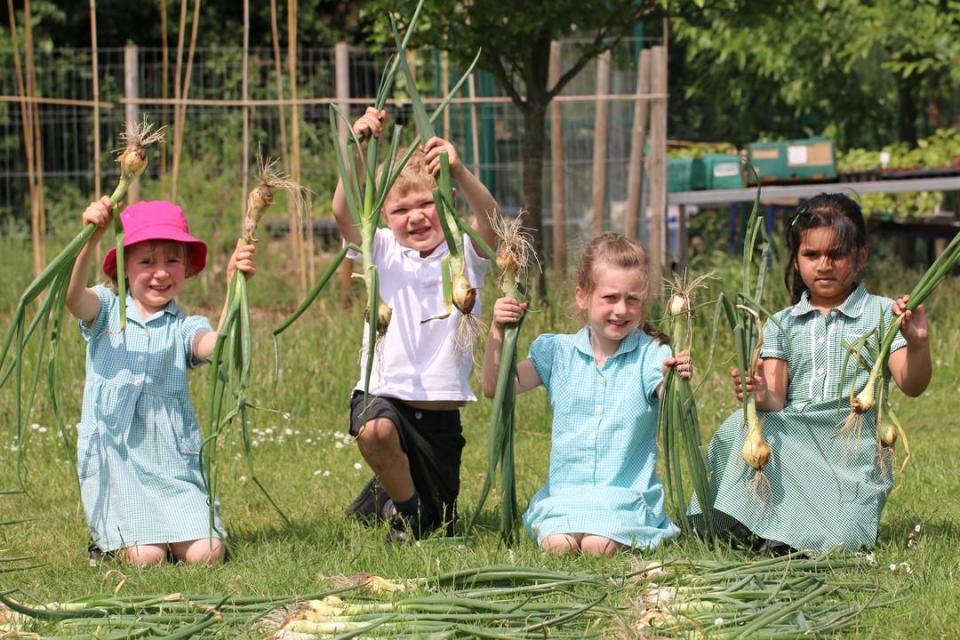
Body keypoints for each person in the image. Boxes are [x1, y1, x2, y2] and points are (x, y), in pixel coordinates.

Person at [690, 193, 931, 552]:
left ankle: (784, 531)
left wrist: (918, 343)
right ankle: (757, 525)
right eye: (811, 255)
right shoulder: (781, 322)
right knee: (738, 426)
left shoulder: (882, 313)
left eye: (836, 254)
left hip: (850, 448)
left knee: (846, 540)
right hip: (796, 439)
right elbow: (775, 398)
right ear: (796, 258)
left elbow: (912, 384)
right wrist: (759, 395)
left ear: (861, 255)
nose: (824, 265)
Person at [334, 107, 500, 543]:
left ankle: (388, 496)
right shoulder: (381, 250)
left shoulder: (465, 250)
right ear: (384, 217)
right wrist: (355, 149)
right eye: (400, 208)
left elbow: (495, 224)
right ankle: (405, 510)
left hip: (440, 416)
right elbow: (344, 213)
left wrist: (460, 171)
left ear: (445, 200)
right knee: (375, 430)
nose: (416, 216)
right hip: (384, 392)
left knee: (443, 522)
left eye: (427, 202)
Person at [66, 198, 256, 566]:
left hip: (170, 462)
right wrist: (89, 239)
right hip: (118, 461)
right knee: (145, 559)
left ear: (186, 267)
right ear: (123, 268)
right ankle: (116, 542)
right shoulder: (106, 310)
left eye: (172, 260)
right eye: (146, 261)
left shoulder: (185, 325)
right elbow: (73, 299)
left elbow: (216, 346)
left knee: (208, 553)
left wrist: (236, 291)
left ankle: (166, 535)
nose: (161, 272)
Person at [484, 233, 691, 556]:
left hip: (624, 496)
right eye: (610, 298)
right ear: (583, 297)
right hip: (568, 495)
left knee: (598, 545)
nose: (621, 310)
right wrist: (498, 330)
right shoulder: (556, 352)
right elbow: (496, 388)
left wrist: (677, 381)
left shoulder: (651, 354)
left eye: (632, 299)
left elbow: (674, 404)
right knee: (558, 546)